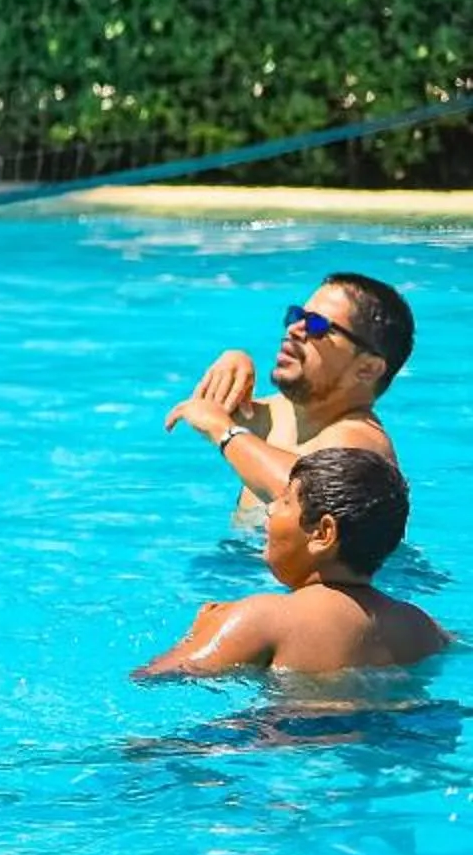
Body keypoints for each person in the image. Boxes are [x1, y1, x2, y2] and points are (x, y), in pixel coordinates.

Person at [140, 449, 447, 678]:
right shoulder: (423, 627)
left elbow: (153, 677)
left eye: (286, 500)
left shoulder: (263, 617)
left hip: (287, 739)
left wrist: (200, 632)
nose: (271, 510)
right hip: (404, 734)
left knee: (139, 755)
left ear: (323, 533)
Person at [166, 274, 410, 512]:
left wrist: (224, 431)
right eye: (297, 316)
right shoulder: (281, 416)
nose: (294, 329)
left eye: (317, 325)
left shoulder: (361, 442)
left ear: (367, 368)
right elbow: (204, 410)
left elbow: (306, 496)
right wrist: (234, 361)